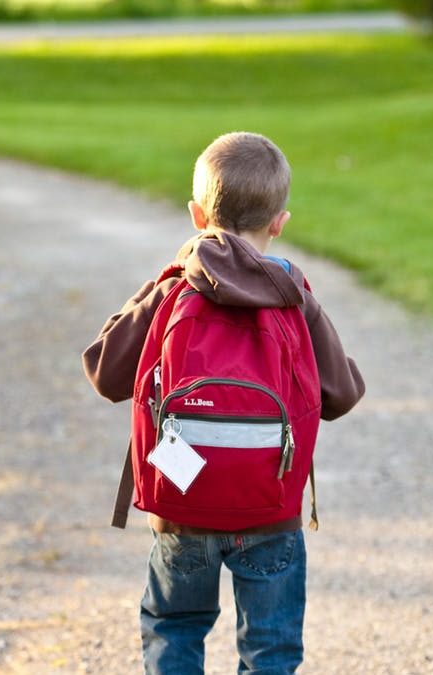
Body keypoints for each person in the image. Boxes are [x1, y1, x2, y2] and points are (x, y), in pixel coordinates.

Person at [82, 131, 364, 674]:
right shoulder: (294, 296)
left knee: (175, 628)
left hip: (182, 504)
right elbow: (340, 397)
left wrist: (155, 290)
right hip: (270, 508)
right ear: (280, 222)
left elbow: (104, 372)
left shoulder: (173, 288)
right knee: (270, 650)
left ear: (195, 214)